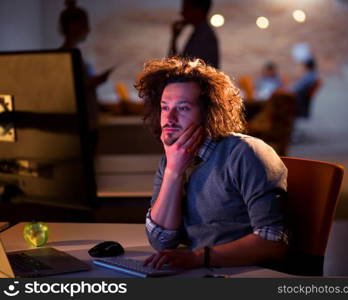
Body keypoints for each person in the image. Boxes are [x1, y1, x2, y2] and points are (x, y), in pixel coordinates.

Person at [135, 57, 289, 270]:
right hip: (197, 272)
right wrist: (174, 171)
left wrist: (196, 258)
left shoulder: (245, 153)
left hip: (243, 274)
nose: (169, 118)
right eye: (164, 107)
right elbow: (161, 240)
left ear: (209, 113)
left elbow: (272, 242)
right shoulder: (172, 158)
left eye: (182, 108)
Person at [58, 0, 113, 152]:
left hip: (84, 121)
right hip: (81, 123)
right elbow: (70, 88)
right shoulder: (68, 55)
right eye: (84, 25)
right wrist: (94, 82)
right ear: (73, 26)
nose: (87, 30)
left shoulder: (74, 55)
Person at [168, 0, 220, 69]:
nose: (182, 13)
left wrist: (174, 39)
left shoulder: (204, 37)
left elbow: (180, 66)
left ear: (198, 10)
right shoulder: (201, 33)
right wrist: (174, 38)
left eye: (186, 9)